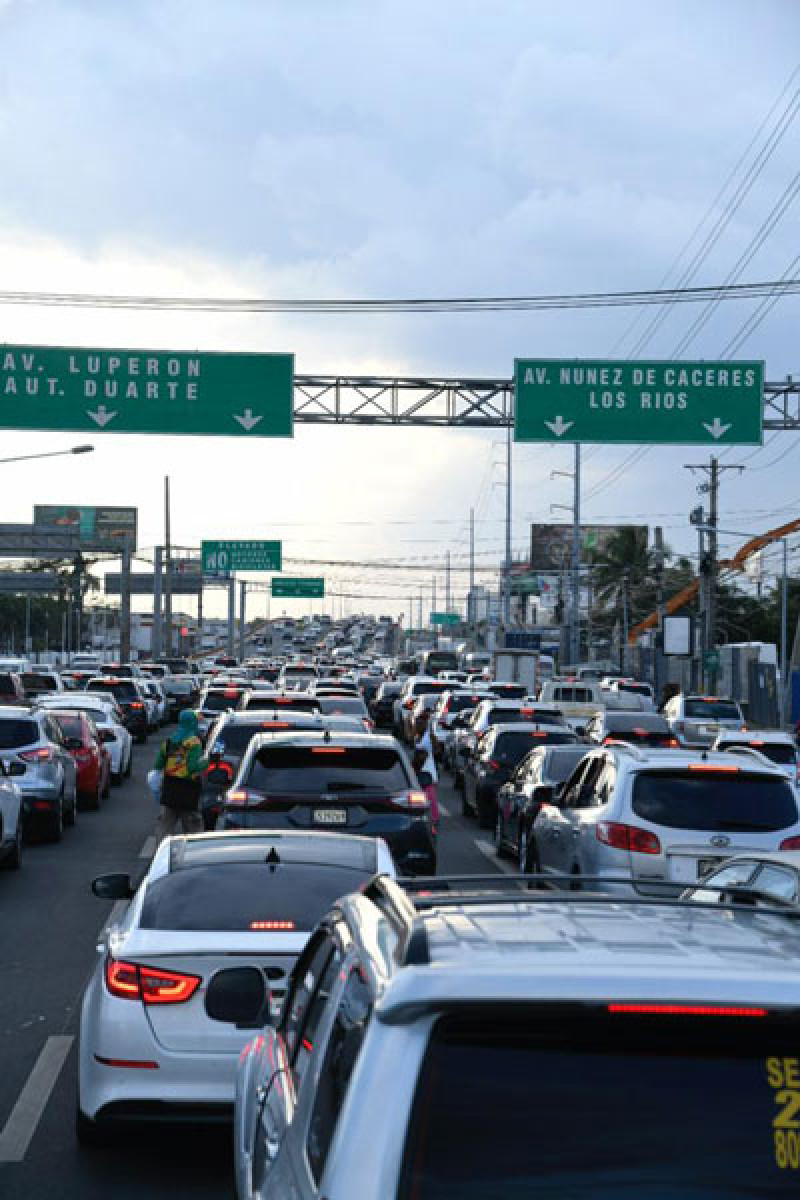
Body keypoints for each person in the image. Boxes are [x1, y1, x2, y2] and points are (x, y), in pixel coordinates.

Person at [155, 708, 208, 839]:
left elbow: (158, 765)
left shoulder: (169, 741)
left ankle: (161, 856)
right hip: (188, 790)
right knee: (193, 832)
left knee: (164, 830)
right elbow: (192, 768)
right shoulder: (194, 742)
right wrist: (207, 762)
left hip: (169, 789)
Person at [413, 709, 440, 833]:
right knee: (424, 795)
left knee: (430, 795)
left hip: (427, 770)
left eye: (418, 723)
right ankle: (429, 817)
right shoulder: (419, 736)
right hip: (423, 770)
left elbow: (435, 749)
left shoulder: (428, 736)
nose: (416, 725)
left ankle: (434, 818)